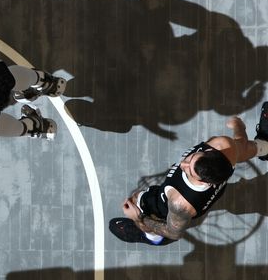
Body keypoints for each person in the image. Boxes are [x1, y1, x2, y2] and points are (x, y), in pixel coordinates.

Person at [109, 105, 268, 245]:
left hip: (162, 213)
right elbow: (243, 147)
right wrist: (239, 127)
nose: (183, 164)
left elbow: (174, 232)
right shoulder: (225, 146)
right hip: (192, 195)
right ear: (209, 152)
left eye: (189, 170)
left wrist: (139, 218)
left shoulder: (181, 205)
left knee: (160, 227)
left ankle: (150, 238)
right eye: (191, 158)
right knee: (246, 149)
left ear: (204, 181)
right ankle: (265, 145)